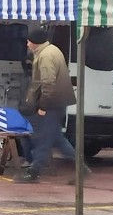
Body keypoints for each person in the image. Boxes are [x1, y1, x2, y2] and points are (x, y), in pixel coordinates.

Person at [16, 27, 90, 184]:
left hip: (51, 103)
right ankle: (82, 168)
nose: (27, 44)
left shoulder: (45, 56)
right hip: (58, 102)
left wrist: (43, 105)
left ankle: (34, 172)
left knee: (43, 137)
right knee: (56, 137)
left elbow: (48, 83)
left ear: (35, 42)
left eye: (29, 41)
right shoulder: (52, 50)